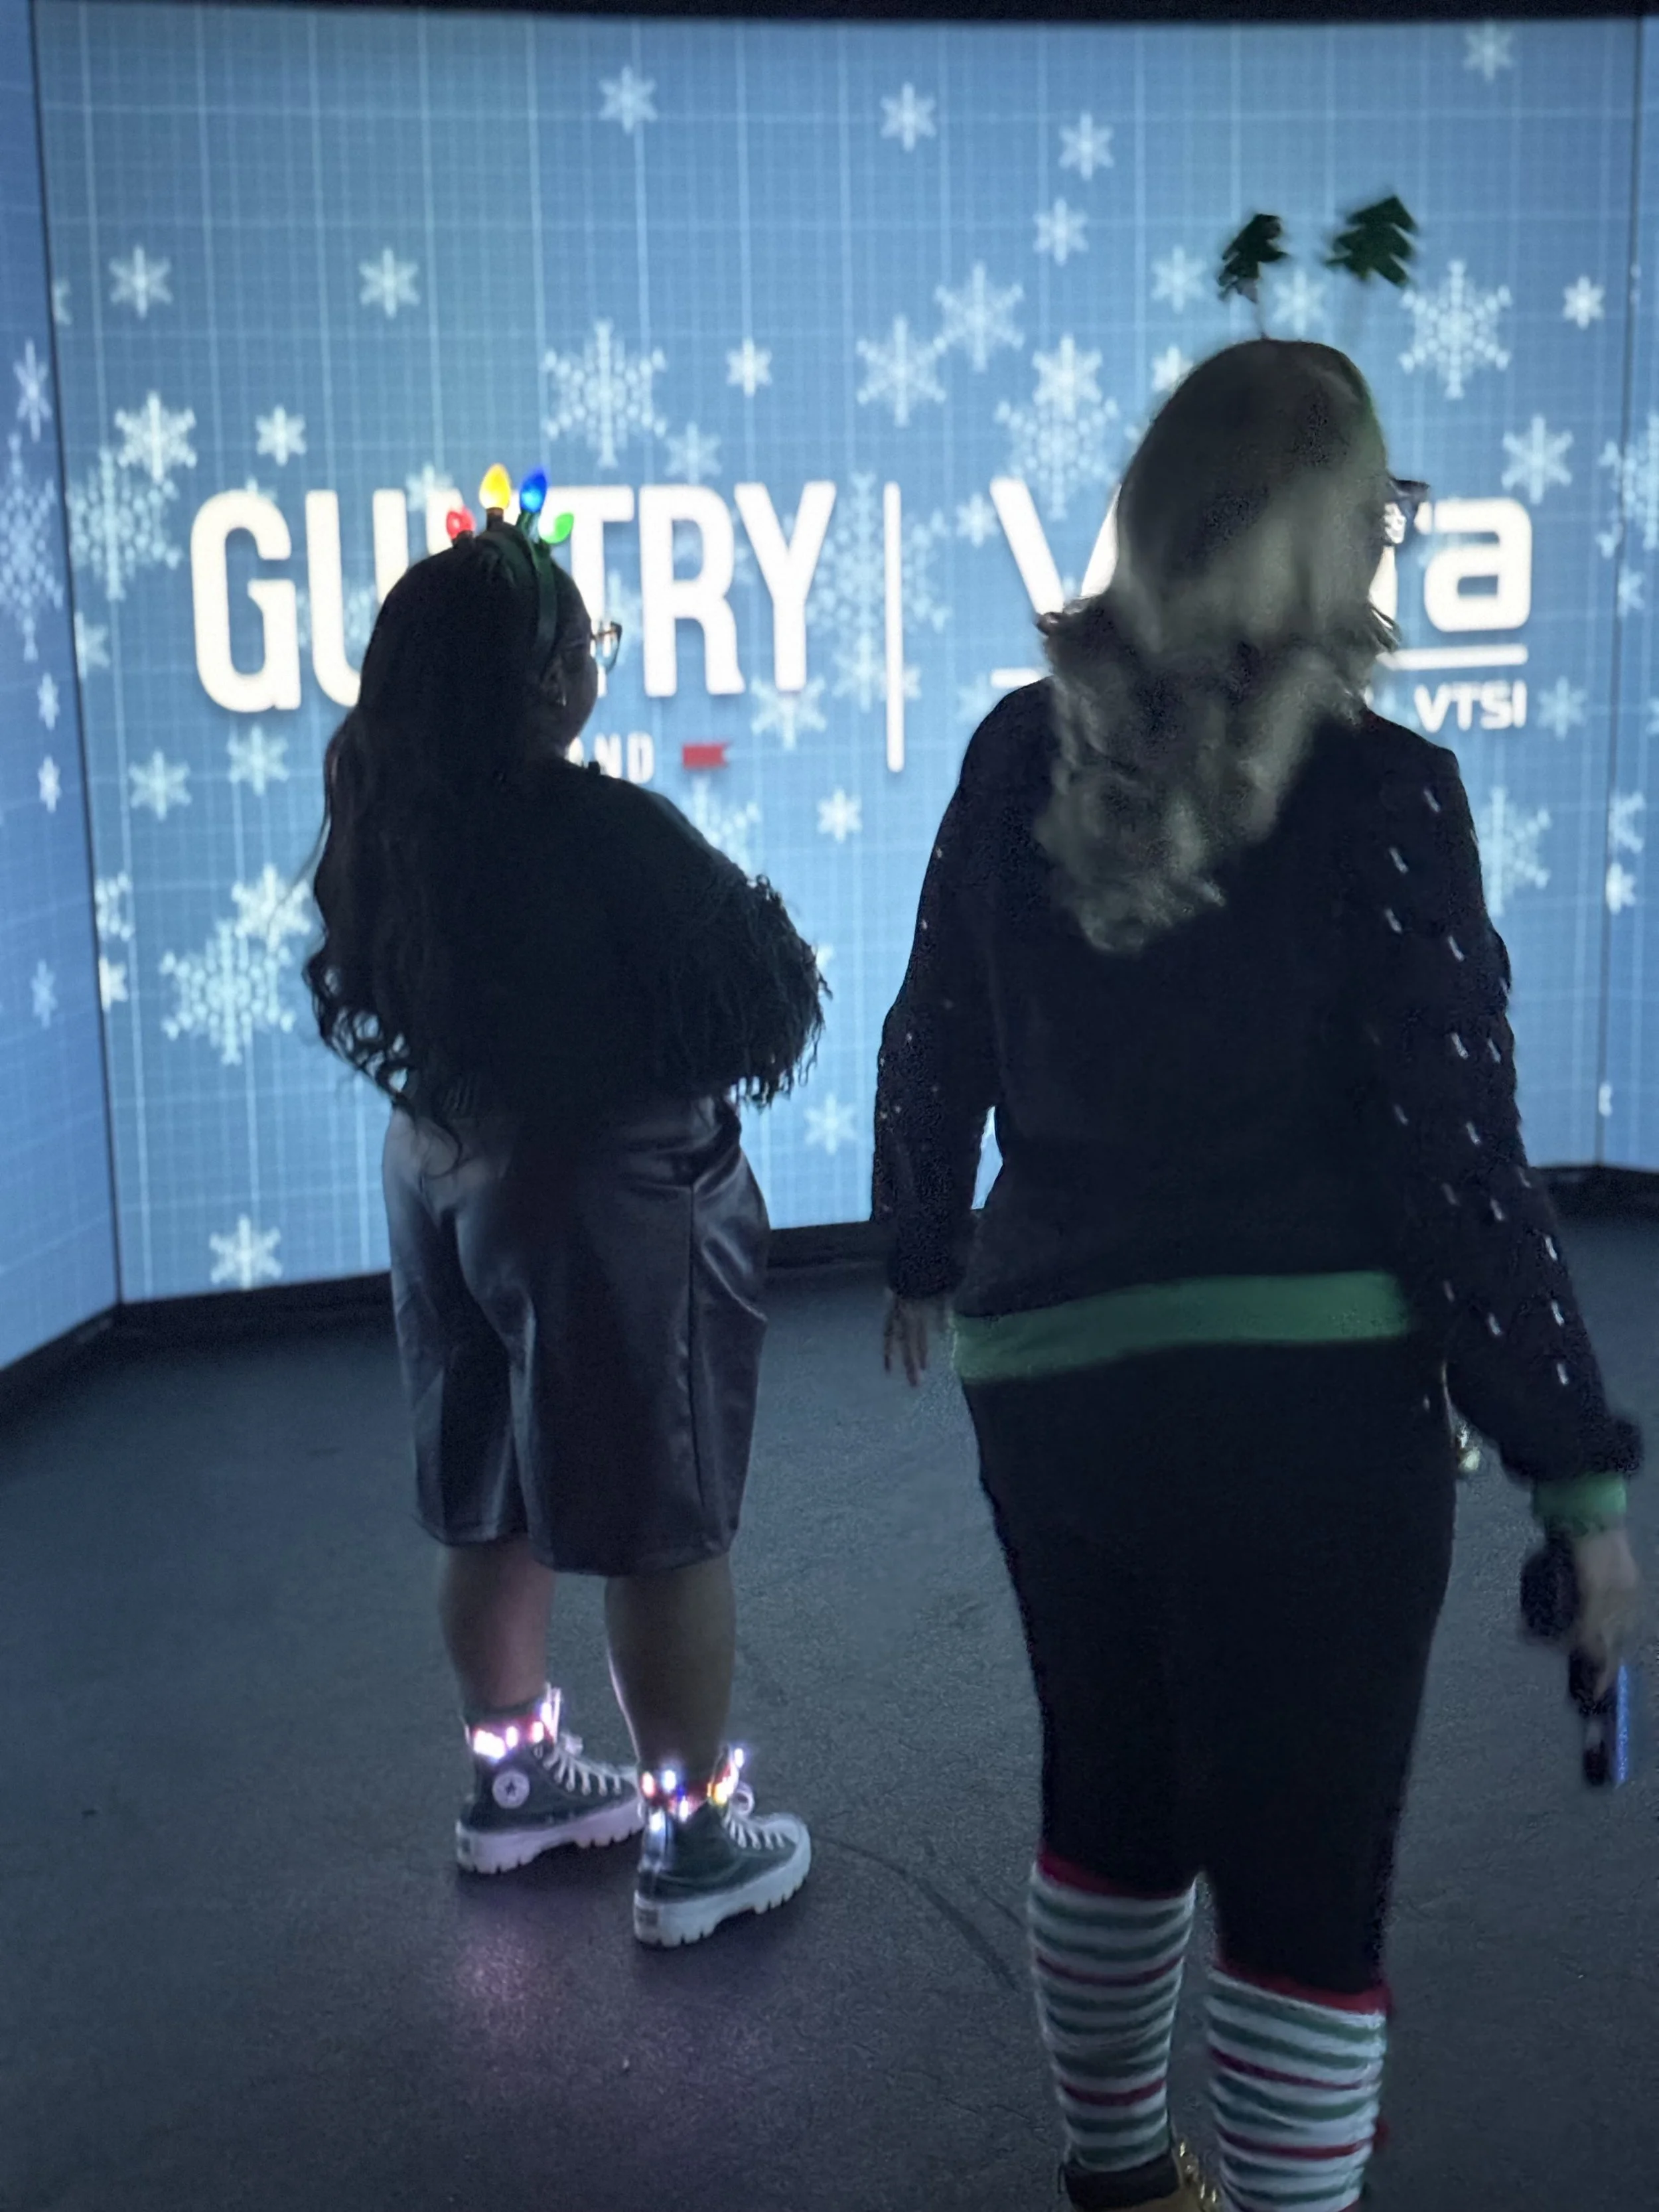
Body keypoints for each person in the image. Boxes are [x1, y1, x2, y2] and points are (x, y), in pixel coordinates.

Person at [872, 339, 1644, 2212]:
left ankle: (1121, 2173)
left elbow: (928, 1038)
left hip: (1043, 1380)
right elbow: (1457, 1168)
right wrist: (1579, 1480)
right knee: (1301, 1877)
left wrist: (915, 1252)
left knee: (1109, 1803)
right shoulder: (1387, 798)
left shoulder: (1004, 749)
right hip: (1306, 1420)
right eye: (1380, 517)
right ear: (1328, 547)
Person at [299, 511, 823, 1949]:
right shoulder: (603, 824)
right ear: (541, 682)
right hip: (610, 1192)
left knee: (491, 1493)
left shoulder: (386, 814)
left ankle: (514, 1779)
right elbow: (760, 996)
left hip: (440, 1168)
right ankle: (691, 1838)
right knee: (666, 1522)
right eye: (585, 641)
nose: (595, 664)